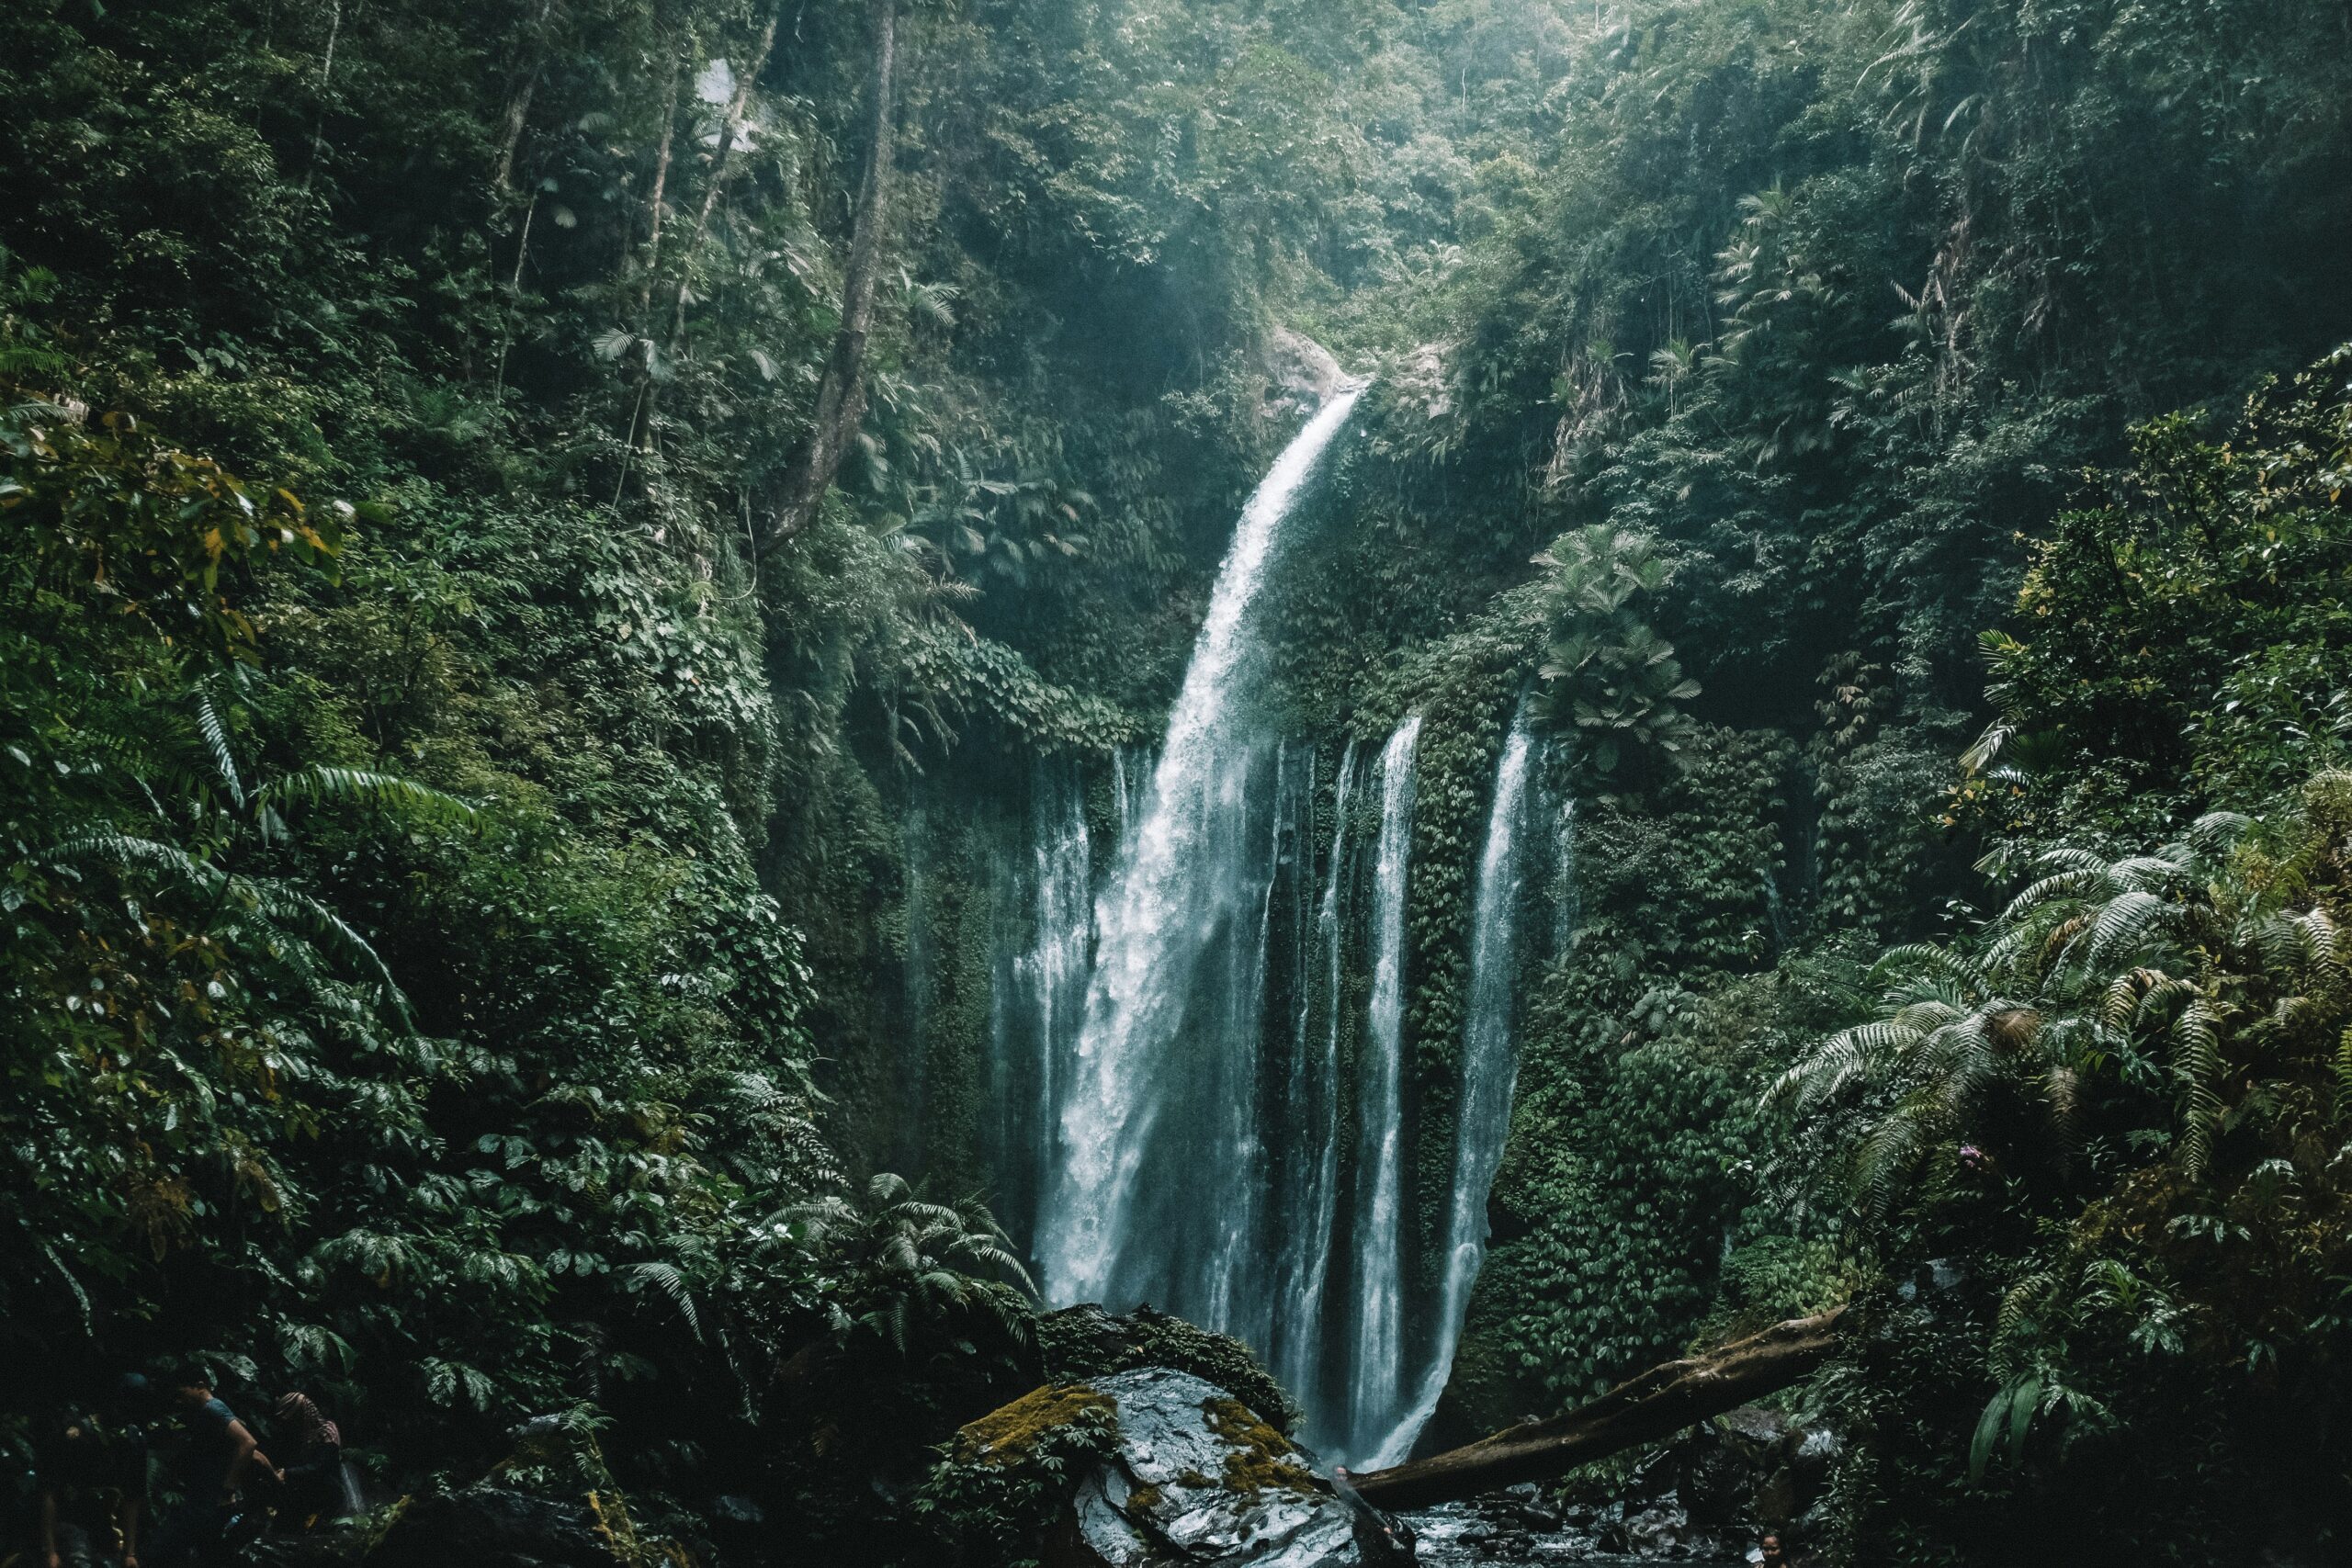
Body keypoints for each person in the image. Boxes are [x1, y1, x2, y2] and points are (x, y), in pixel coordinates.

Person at [143, 1372, 269, 1568]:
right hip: (204, 1497)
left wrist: (228, 1490)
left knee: (162, 1550)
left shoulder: (213, 1409)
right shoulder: (205, 1412)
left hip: (210, 1500)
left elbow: (248, 1443)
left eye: (182, 1393)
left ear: (200, 1385)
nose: (179, 1400)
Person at [33, 1377, 150, 1568]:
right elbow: (50, 1493)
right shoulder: (77, 1435)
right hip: (72, 1520)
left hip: (108, 1528)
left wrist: (130, 1552)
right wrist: (50, 1551)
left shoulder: (133, 1440)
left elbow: (132, 1498)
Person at [266, 1396, 343, 1528]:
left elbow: (319, 1468)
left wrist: (287, 1473)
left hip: (325, 1489)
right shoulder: (302, 1432)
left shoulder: (327, 1432)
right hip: (304, 1487)